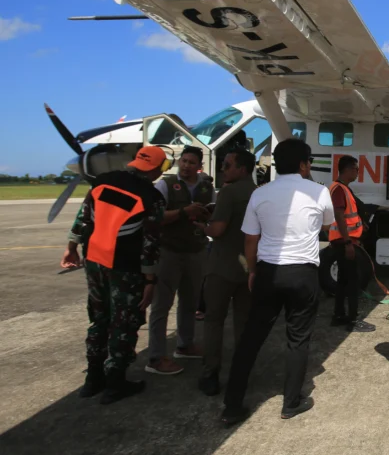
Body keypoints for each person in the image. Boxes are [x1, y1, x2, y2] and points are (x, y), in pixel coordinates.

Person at [221, 138, 334, 425]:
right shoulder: (319, 192)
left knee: (251, 337)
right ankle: (291, 402)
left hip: (268, 270)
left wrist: (252, 271)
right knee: (298, 339)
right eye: (308, 161)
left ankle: (232, 405)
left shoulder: (260, 194)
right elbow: (326, 225)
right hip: (303, 273)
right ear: (302, 164)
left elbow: (250, 238)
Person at [61, 146, 167, 404]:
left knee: (99, 318)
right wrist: (150, 280)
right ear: (155, 169)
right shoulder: (152, 197)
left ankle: (93, 378)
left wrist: (71, 248)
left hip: (95, 260)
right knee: (124, 322)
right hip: (125, 267)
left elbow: (83, 218)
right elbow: (150, 243)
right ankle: (115, 382)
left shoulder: (101, 183)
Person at [146, 146, 214, 375]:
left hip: (195, 251)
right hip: (169, 252)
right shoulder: (164, 186)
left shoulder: (206, 187)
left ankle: (185, 345)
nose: (186, 166)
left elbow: (213, 212)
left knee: (190, 301)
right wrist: (184, 212)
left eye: (191, 162)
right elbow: (155, 218)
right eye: (183, 161)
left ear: (199, 166)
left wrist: (207, 216)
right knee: (161, 305)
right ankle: (155, 357)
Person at [198, 149, 257, 396]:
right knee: (243, 323)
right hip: (247, 268)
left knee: (213, 322)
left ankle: (211, 374)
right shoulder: (257, 193)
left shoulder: (229, 192)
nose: (224, 169)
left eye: (228, 165)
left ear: (242, 169)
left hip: (221, 268)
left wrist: (202, 225)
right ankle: (241, 372)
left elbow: (218, 230)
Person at [329, 155, 375, 333]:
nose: (357, 172)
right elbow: (339, 216)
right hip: (346, 242)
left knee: (342, 280)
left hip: (345, 241)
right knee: (353, 281)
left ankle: (339, 315)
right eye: (356, 169)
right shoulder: (340, 189)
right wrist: (348, 242)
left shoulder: (342, 189)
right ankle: (353, 320)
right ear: (347, 170)